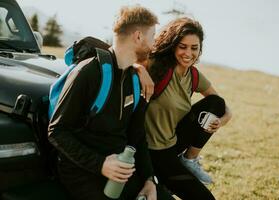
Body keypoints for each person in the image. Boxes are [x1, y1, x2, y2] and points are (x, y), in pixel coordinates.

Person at [48, 6, 174, 200]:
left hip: (121, 171)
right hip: (84, 173)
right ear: (138, 36)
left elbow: (137, 136)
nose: (153, 45)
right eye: (152, 37)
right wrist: (101, 164)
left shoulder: (134, 78)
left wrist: (149, 180)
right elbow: (57, 131)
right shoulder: (88, 72)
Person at [144, 17, 232, 199]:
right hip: (148, 151)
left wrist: (221, 121)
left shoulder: (193, 75)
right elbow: (128, 61)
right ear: (173, 45)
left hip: (172, 146)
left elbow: (222, 106)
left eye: (194, 48)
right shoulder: (156, 65)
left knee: (216, 102)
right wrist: (139, 69)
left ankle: (189, 159)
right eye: (182, 46)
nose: (188, 53)